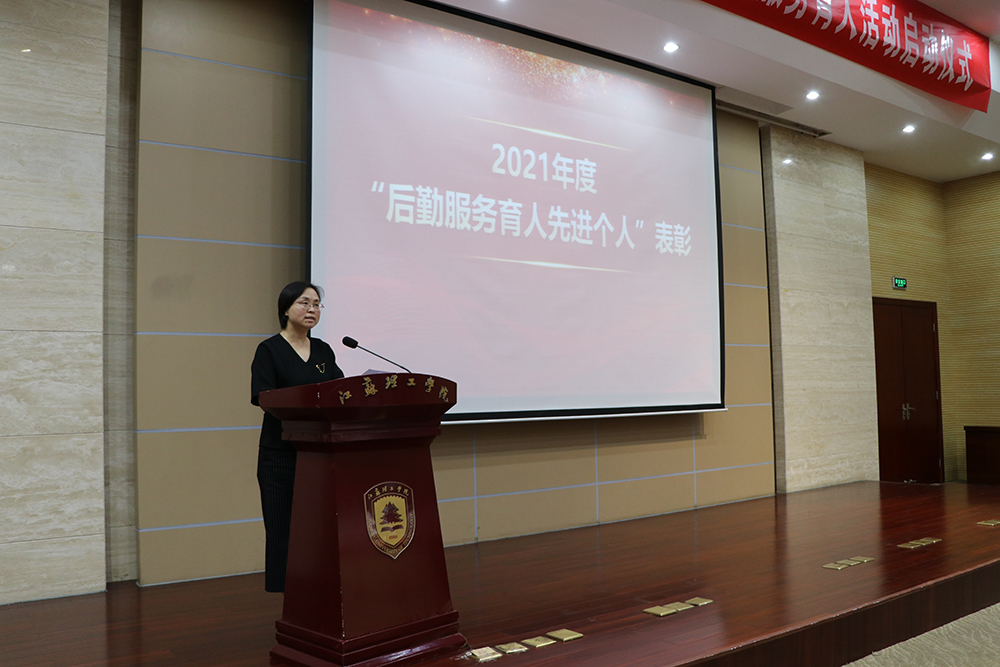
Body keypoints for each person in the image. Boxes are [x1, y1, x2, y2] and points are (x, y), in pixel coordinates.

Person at [251, 281, 344, 592]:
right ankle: (288, 595)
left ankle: (318, 590)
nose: (312, 309)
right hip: (280, 453)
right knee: (282, 528)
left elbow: (339, 391)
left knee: (317, 527)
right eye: (305, 303)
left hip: (318, 453)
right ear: (286, 309)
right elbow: (263, 396)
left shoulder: (323, 350)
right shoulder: (269, 350)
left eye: (316, 304)